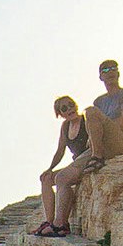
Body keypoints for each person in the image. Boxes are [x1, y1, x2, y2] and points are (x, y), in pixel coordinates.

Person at [34, 95, 94, 236]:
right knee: (46, 178)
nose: (70, 109)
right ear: (60, 114)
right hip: (76, 163)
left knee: (62, 178)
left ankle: (61, 224)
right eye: (65, 108)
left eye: (71, 104)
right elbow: (60, 151)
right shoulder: (65, 127)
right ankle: (49, 221)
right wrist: (50, 169)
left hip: (88, 158)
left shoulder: (87, 120)